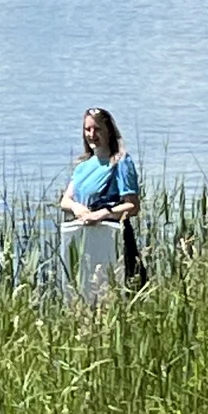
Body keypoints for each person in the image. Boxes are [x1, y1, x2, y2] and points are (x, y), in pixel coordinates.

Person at [59, 106, 142, 299]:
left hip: (112, 236)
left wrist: (103, 213)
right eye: (87, 129)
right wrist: (76, 207)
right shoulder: (82, 165)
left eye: (97, 129)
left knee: (118, 292)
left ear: (109, 132)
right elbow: (65, 200)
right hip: (83, 235)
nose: (92, 134)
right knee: (84, 292)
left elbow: (132, 206)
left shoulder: (121, 162)